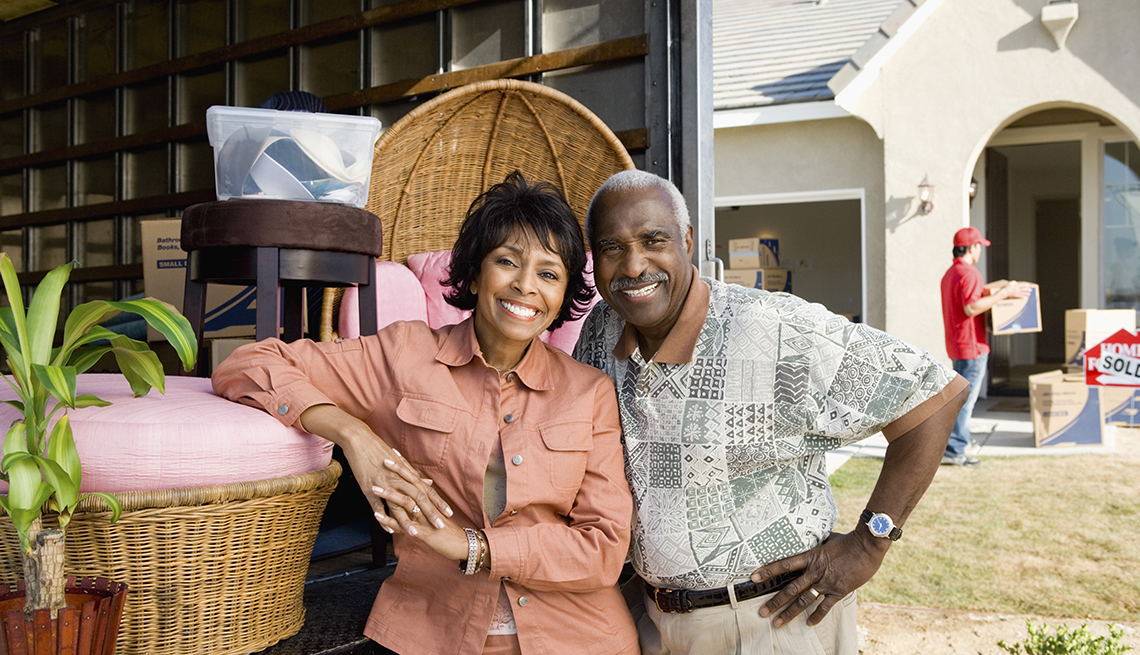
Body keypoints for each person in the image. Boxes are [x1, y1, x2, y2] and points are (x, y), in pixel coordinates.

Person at [213, 171, 639, 655]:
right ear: (475, 274)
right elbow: (248, 364)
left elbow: (604, 549)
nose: (525, 286)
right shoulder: (405, 354)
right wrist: (354, 435)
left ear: (562, 295)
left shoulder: (589, 391)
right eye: (507, 262)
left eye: (548, 274)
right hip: (437, 631)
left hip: (579, 637)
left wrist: (474, 547)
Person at [572, 170, 968, 655]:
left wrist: (869, 543)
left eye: (654, 240)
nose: (633, 266)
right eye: (612, 248)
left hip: (769, 624)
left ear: (688, 241)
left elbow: (933, 394)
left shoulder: (775, 328)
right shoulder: (601, 331)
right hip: (653, 621)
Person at [939, 226, 1028, 467]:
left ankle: (953, 446)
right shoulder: (969, 273)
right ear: (972, 247)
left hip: (958, 345)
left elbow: (967, 307)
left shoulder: (950, 274)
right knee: (966, 401)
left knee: (959, 399)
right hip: (972, 347)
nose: (980, 251)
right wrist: (1006, 293)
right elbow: (971, 308)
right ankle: (956, 450)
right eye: (979, 246)